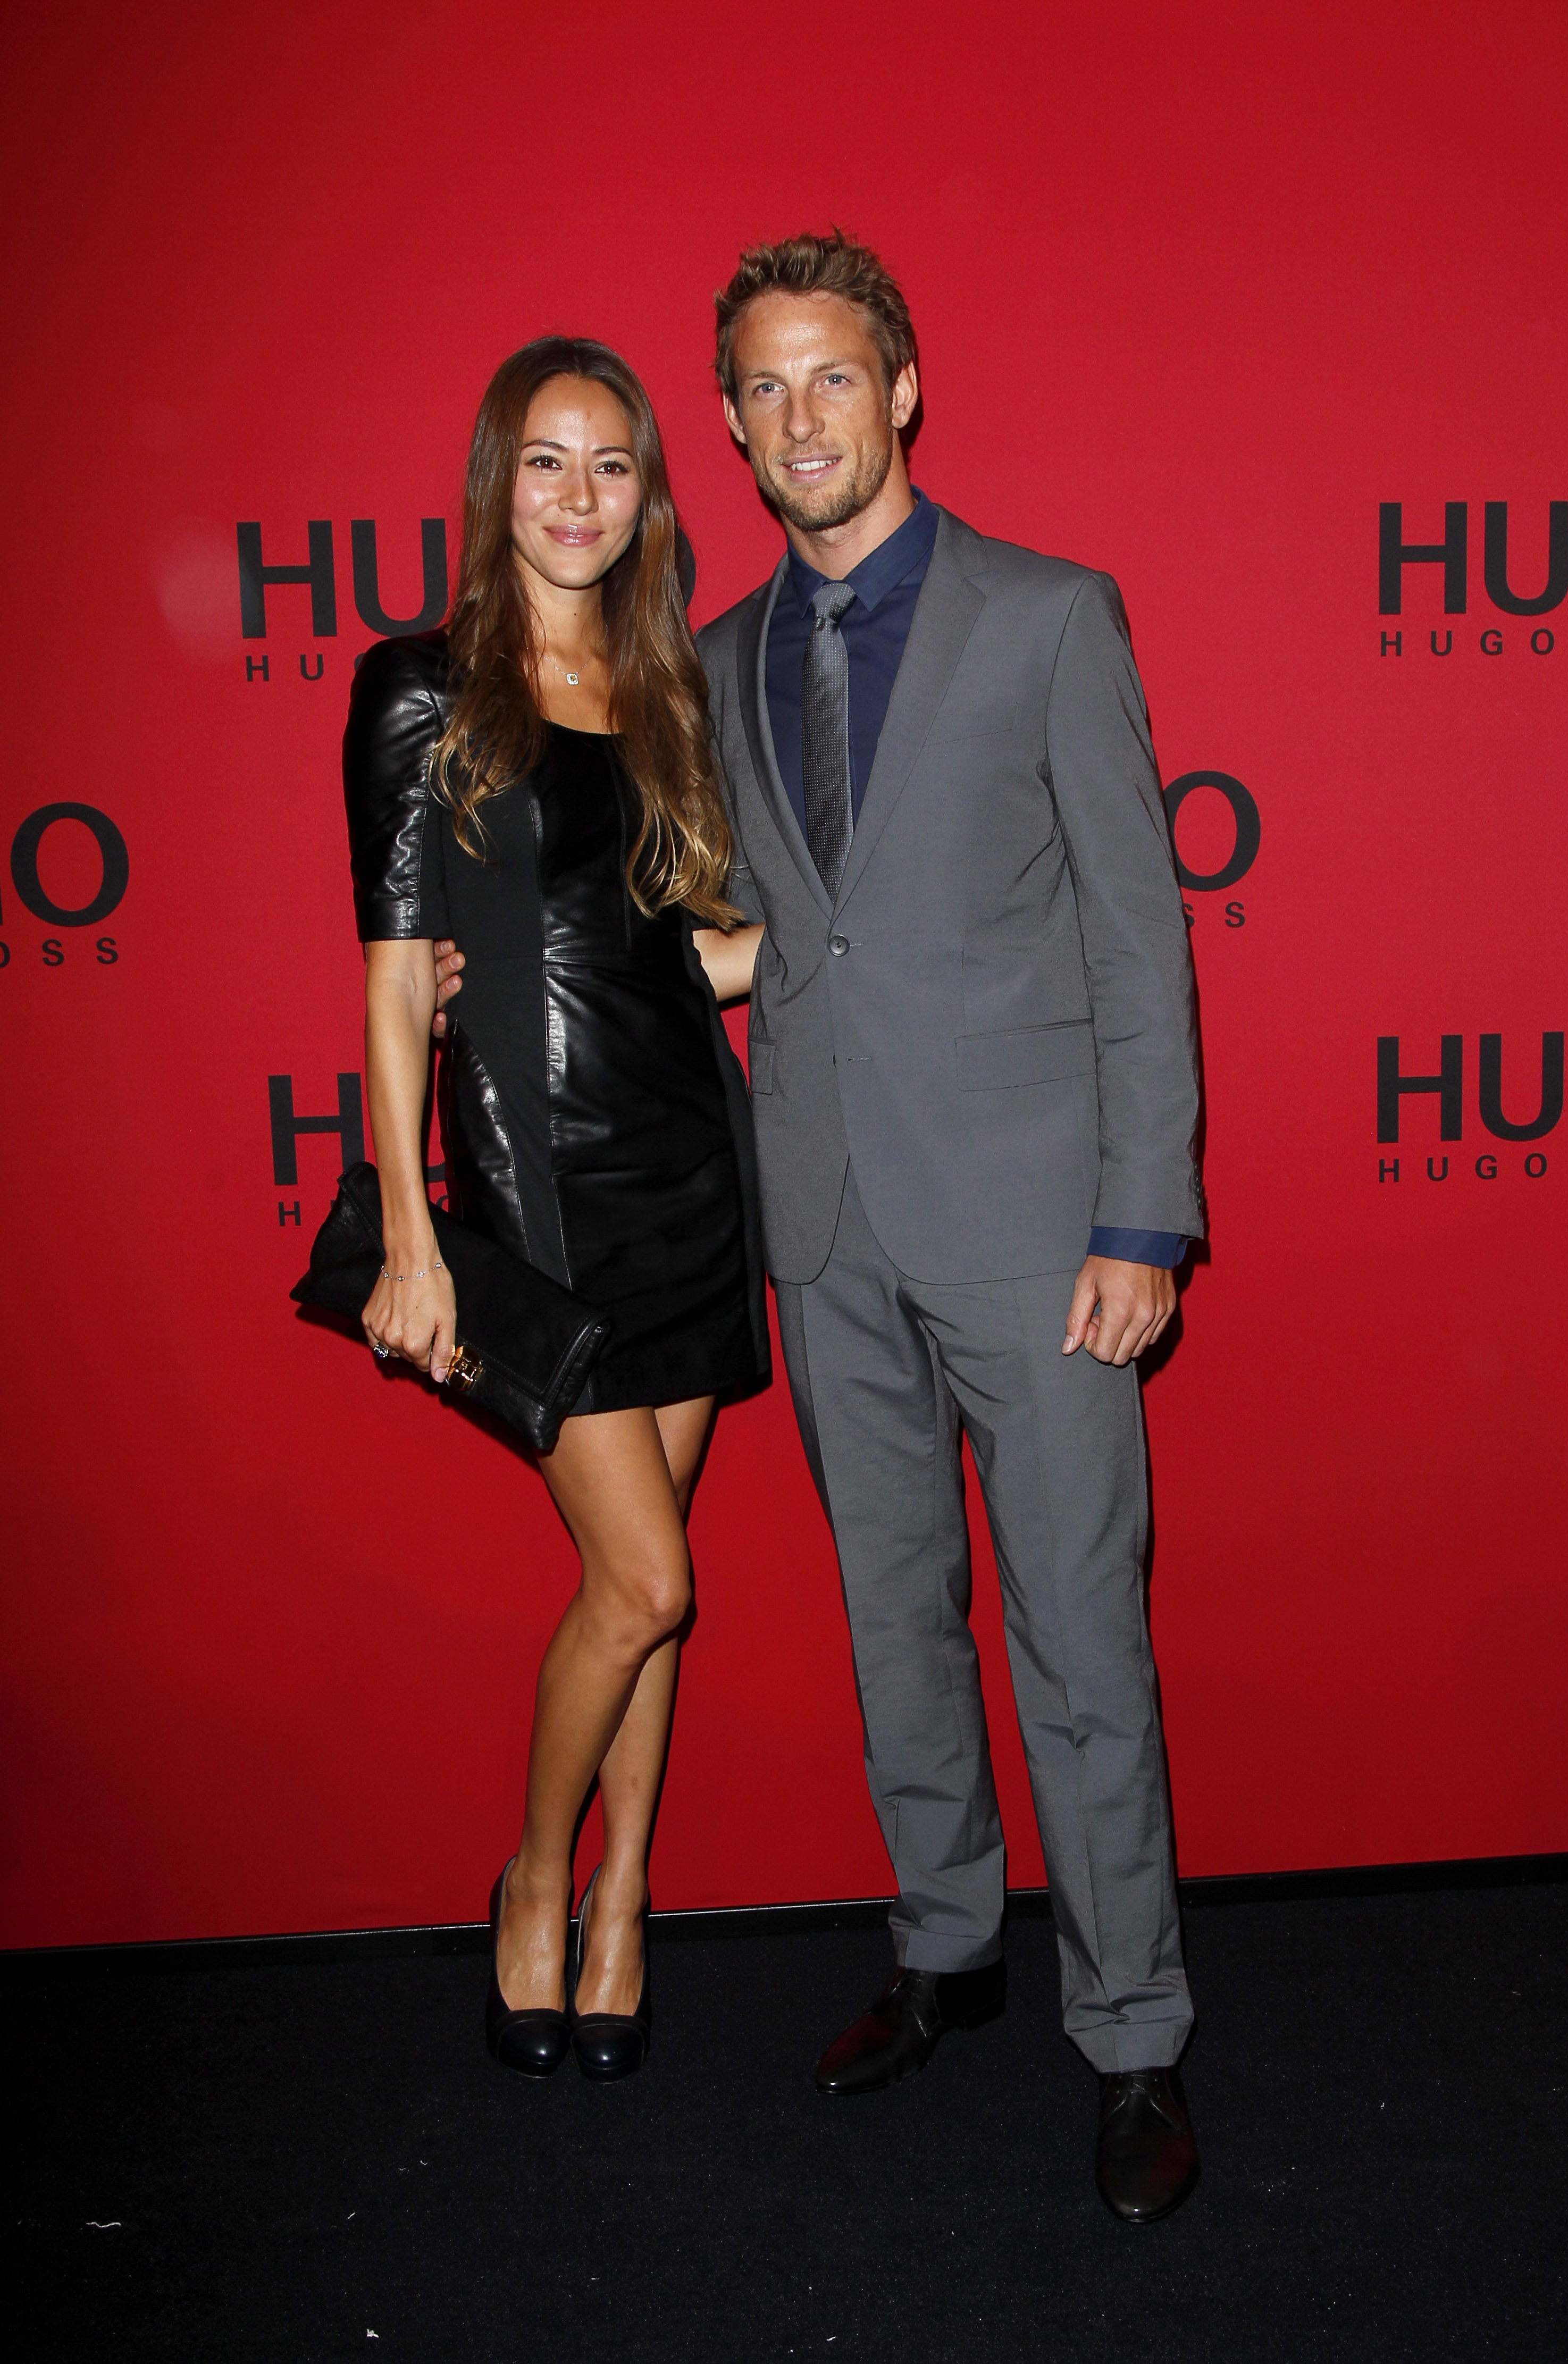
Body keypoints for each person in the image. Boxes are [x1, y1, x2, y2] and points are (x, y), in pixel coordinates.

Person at [435, 234, 1204, 2220]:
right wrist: (480, 967)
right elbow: (718, 927)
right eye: (763, 390)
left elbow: (1138, 939)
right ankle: (944, 1946)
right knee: (891, 1616)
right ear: (729, 422)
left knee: (1077, 1638)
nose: (800, 419)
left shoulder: (1050, 616)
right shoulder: (713, 655)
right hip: (826, 1218)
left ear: (904, 387)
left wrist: (1142, 1221)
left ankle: (1131, 2033)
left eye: (832, 377)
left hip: (1037, 1230)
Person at [346, 335, 767, 2084]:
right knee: (647, 1579)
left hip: (690, 1166)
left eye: (610, 463)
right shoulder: (421, 687)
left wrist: (847, 941)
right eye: (546, 460)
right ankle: (534, 1878)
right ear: (495, 482)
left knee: (644, 1582)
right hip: (536, 1182)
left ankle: (624, 1904)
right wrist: (413, 1235)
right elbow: (394, 982)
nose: (578, 495)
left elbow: (691, 957)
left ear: (647, 492)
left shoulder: (673, 689)